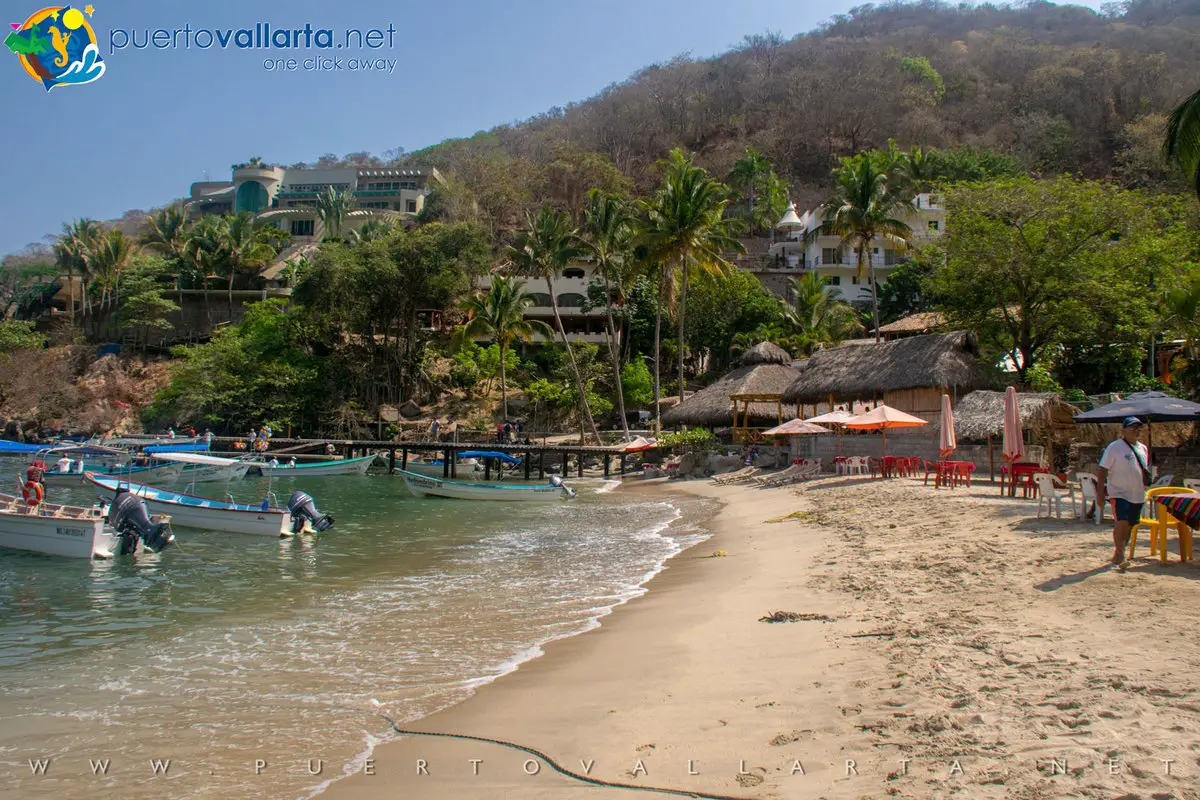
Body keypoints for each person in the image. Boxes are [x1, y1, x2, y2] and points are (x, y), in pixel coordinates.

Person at [1097, 417, 1151, 567]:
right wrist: (1100, 492)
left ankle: (1118, 553)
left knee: (1130, 525)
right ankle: (1120, 554)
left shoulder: (1143, 448)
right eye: (1132, 428)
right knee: (1122, 522)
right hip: (1119, 492)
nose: (1136, 431)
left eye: (1138, 428)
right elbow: (1103, 469)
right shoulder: (1115, 447)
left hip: (1138, 493)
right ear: (1124, 430)